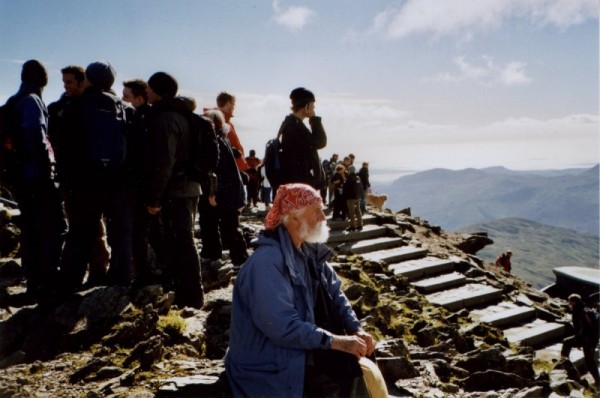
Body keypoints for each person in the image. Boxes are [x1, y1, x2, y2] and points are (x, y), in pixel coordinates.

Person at [225, 183, 383, 397]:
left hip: (295, 349)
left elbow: (336, 293)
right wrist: (335, 341)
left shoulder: (308, 251)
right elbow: (281, 326)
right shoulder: (267, 263)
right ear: (294, 217)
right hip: (268, 364)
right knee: (349, 374)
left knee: (359, 362)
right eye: (316, 211)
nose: (323, 218)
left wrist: (356, 329)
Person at [59, 61, 135, 291]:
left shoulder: (77, 105)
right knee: (120, 234)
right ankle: (120, 280)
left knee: (81, 232)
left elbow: (66, 147)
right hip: (118, 182)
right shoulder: (125, 109)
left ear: (88, 79)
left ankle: (70, 284)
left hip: (86, 182)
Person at [2, 60, 66, 300]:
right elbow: (36, 137)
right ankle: (46, 283)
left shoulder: (14, 101)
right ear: (44, 80)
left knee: (31, 228)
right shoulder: (32, 101)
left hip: (19, 178)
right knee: (55, 226)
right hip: (36, 176)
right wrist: (48, 170)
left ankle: (34, 284)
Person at [144, 71, 204, 309]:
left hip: (176, 191)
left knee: (182, 242)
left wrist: (154, 197)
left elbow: (164, 162)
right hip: (189, 188)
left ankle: (191, 298)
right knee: (184, 241)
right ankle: (189, 294)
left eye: (149, 88)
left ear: (158, 91)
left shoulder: (166, 118)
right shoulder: (183, 114)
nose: (146, 92)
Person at [49, 65, 110, 287]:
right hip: (71, 177)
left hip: (85, 179)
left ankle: (96, 272)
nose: (66, 87)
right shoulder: (64, 106)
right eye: (64, 83)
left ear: (82, 82)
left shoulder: (85, 107)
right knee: (82, 226)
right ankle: (90, 272)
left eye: (70, 83)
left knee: (90, 227)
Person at [198, 109, 248, 267]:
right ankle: (236, 259)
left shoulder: (216, 141)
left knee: (220, 225)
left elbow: (218, 169)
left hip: (221, 191)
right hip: (229, 191)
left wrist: (213, 193)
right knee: (225, 225)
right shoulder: (223, 139)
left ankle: (235, 260)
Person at [277, 87, 327, 190]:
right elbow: (320, 142)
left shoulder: (291, 123)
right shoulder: (295, 126)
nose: (313, 110)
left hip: (297, 182)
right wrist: (314, 119)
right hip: (300, 184)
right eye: (312, 107)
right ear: (307, 106)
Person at [560, 293, 600, 386]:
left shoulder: (579, 311)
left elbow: (581, 327)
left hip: (587, 339)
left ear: (573, 302)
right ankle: (598, 380)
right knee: (589, 360)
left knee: (589, 360)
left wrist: (580, 339)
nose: (569, 304)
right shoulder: (586, 309)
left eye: (570, 302)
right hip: (591, 339)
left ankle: (564, 366)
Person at [216, 92, 248, 173]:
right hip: (227, 172)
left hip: (232, 170)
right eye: (233, 104)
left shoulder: (227, 123)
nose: (234, 107)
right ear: (228, 104)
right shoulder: (218, 122)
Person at [343, 165, 363, 232]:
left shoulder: (350, 178)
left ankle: (353, 226)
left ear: (350, 170)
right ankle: (360, 225)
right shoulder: (357, 177)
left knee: (352, 212)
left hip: (351, 198)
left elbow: (346, 187)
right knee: (358, 211)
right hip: (358, 197)